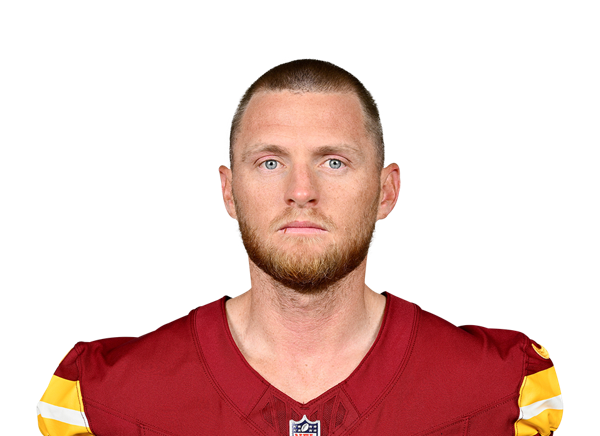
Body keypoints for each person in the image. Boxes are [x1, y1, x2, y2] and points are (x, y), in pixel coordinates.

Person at [37, 59, 563, 435]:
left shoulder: (503, 391)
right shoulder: (103, 398)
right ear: (228, 191)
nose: (302, 191)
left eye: (334, 161)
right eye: (270, 162)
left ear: (386, 191)